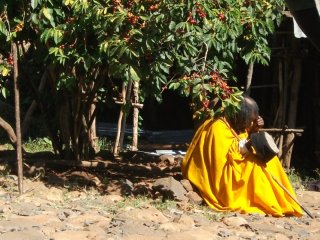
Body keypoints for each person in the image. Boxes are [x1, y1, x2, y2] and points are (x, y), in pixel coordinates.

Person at [181, 96, 303, 217]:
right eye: (248, 120)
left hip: (234, 163)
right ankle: (267, 202)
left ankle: (282, 201)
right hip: (221, 177)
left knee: (271, 161)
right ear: (238, 115)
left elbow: (241, 137)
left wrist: (254, 129)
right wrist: (249, 144)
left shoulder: (235, 123)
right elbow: (221, 162)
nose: (249, 123)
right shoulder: (217, 127)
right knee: (255, 166)